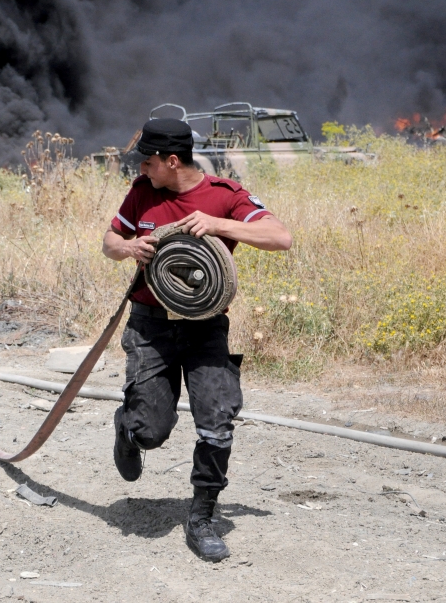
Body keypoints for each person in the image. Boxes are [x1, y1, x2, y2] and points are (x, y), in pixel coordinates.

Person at [101, 118, 292, 561]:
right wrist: (128, 248)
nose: (142, 169)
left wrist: (219, 225)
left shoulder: (224, 195)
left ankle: (202, 517)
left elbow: (280, 238)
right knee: (152, 431)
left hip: (206, 326)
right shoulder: (142, 192)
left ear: (172, 161)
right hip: (150, 326)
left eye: (148, 161)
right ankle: (129, 429)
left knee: (217, 421)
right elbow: (110, 240)